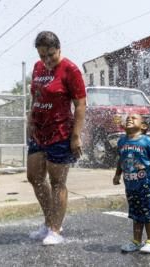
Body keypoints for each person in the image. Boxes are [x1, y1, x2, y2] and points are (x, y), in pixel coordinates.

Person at [27, 31, 86, 245]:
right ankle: (48, 222)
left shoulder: (71, 70)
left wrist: (76, 137)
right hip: (38, 131)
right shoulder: (37, 67)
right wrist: (29, 121)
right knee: (34, 177)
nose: (46, 60)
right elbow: (35, 96)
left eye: (50, 55)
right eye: (42, 55)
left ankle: (55, 229)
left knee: (57, 182)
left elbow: (80, 105)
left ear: (59, 49)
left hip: (60, 133)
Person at [113, 114, 150, 254]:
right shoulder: (121, 141)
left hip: (146, 183)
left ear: (143, 126)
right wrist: (117, 174)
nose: (129, 119)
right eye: (127, 118)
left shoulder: (147, 141)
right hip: (130, 184)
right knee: (135, 214)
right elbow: (121, 159)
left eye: (134, 118)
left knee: (146, 213)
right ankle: (136, 241)